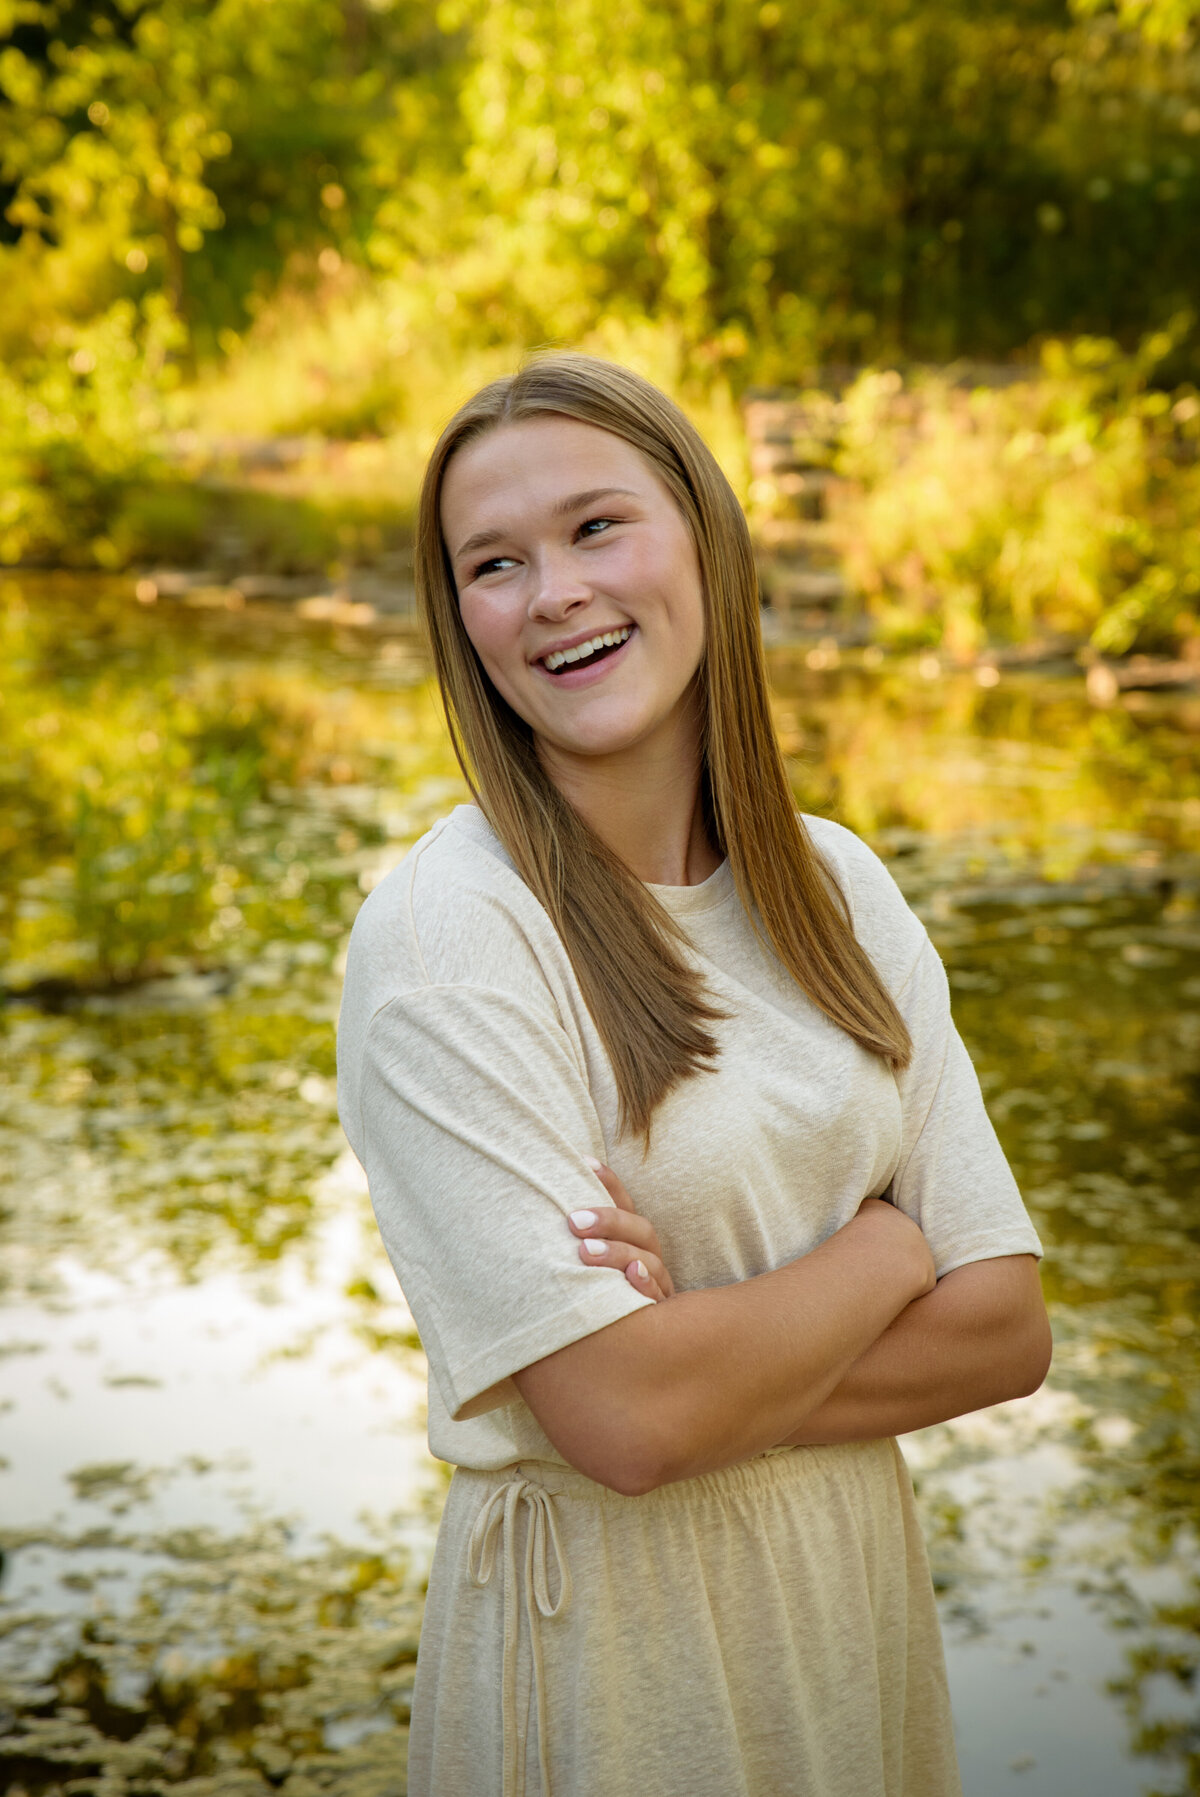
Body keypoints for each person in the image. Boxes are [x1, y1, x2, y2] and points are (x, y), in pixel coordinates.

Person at [336, 353, 1051, 1797]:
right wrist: (885, 1246)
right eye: (496, 562)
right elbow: (628, 1419)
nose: (555, 593)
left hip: (845, 1615)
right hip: (617, 1660)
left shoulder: (836, 886)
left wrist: (702, 1353)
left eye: (599, 526)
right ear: (459, 617)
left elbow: (1006, 1328)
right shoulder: (450, 936)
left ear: (705, 540)